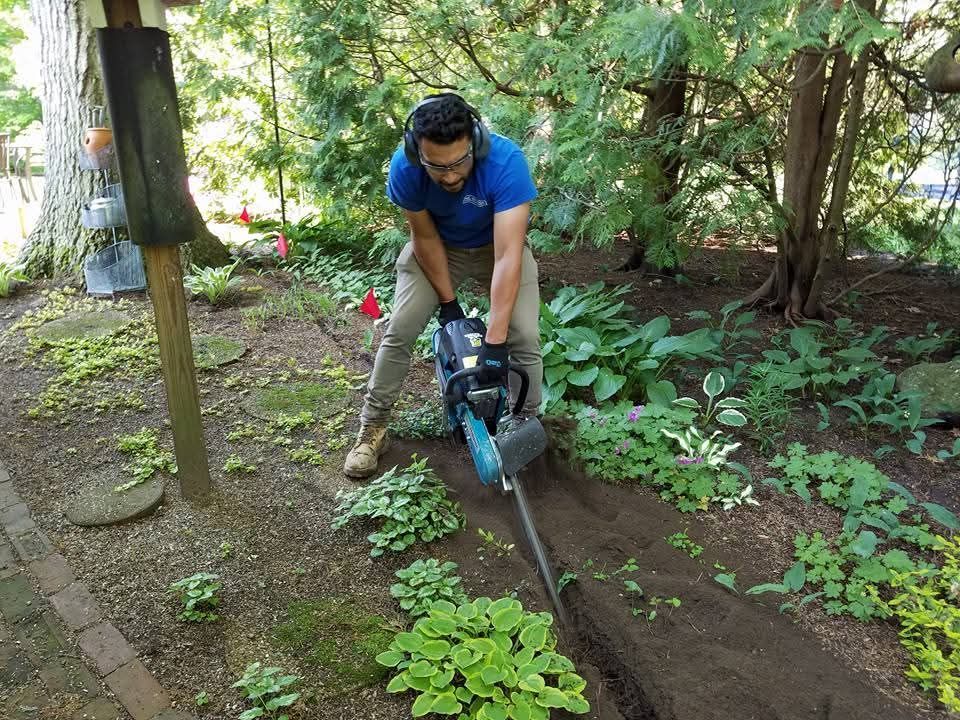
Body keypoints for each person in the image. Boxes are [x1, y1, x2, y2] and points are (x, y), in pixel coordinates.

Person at [343, 93, 543, 479]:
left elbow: (507, 255)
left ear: (476, 143)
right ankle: (373, 427)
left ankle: (525, 422)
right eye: (437, 167)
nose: (450, 176)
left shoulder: (506, 163)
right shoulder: (405, 167)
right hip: (440, 248)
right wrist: (448, 303)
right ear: (418, 153)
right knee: (400, 328)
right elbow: (425, 237)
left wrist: (496, 342)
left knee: (524, 334)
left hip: (497, 250)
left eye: (459, 162)